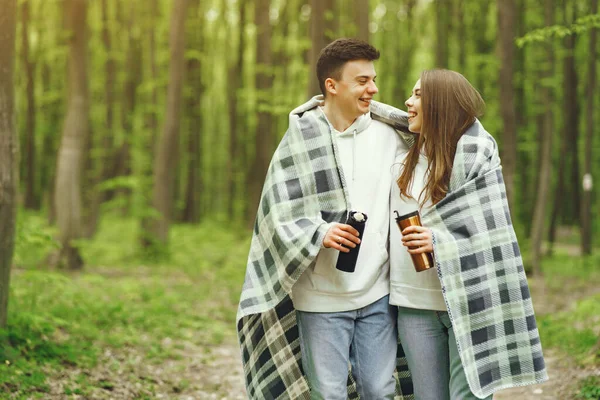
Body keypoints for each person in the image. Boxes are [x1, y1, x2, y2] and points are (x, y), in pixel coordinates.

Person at [236, 38, 415, 399]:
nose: (374, 89)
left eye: (374, 79)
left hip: (377, 291)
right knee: (328, 394)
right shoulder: (299, 140)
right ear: (331, 86)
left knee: (379, 391)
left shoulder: (391, 135)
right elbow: (277, 212)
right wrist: (319, 231)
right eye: (362, 81)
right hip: (319, 297)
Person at [388, 69, 549, 399]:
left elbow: (492, 238)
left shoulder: (479, 160)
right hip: (414, 304)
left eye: (418, 94)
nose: (408, 101)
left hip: (470, 300)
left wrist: (438, 241)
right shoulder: (399, 161)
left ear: (441, 104)